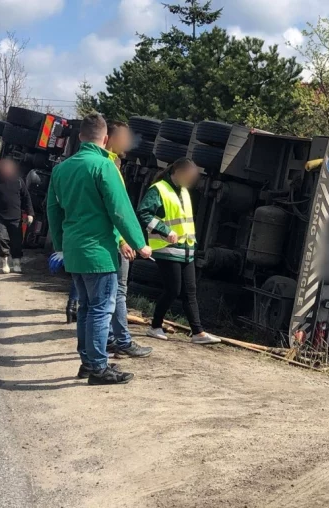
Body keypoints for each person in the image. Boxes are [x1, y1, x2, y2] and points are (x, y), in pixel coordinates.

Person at [46, 113, 152, 385]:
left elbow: (53, 210)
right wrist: (140, 244)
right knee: (100, 310)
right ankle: (97, 366)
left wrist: (60, 245)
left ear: (80, 137)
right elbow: (121, 210)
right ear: (105, 139)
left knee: (85, 308)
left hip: (74, 251)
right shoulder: (104, 167)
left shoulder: (61, 169)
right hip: (99, 253)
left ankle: (87, 361)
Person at [136, 157, 220, 344]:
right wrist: (165, 231)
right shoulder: (158, 189)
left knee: (190, 291)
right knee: (173, 290)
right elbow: (143, 213)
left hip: (186, 249)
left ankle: (198, 333)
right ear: (179, 172)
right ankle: (155, 326)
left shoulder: (183, 191)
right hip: (167, 248)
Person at [104, 121, 152, 359]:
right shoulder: (109, 166)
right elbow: (117, 211)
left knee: (105, 295)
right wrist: (126, 241)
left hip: (107, 241)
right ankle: (121, 340)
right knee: (118, 292)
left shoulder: (111, 164)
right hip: (115, 242)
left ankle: (111, 340)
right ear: (110, 138)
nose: (128, 142)